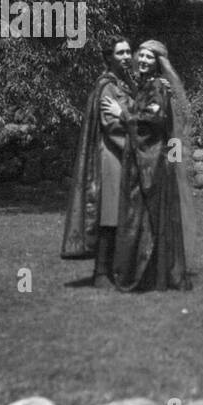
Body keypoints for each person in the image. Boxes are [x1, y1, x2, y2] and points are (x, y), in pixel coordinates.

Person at [102, 40, 196, 291]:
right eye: (140, 55)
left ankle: (147, 275)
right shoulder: (147, 85)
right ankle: (151, 274)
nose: (142, 60)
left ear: (158, 63)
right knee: (147, 217)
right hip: (146, 161)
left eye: (149, 58)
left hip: (152, 164)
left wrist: (121, 113)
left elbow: (151, 121)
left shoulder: (156, 87)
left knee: (146, 216)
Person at [61, 37, 135, 286]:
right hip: (112, 156)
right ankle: (101, 273)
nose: (126, 56)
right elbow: (112, 126)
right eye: (120, 52)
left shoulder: (123, 84)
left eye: (128, 52)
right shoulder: (107, 87)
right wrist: (140, 147)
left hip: (121, 155)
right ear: (109, 57)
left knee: (117, 213)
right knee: (110, 214)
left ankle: (114, 269)